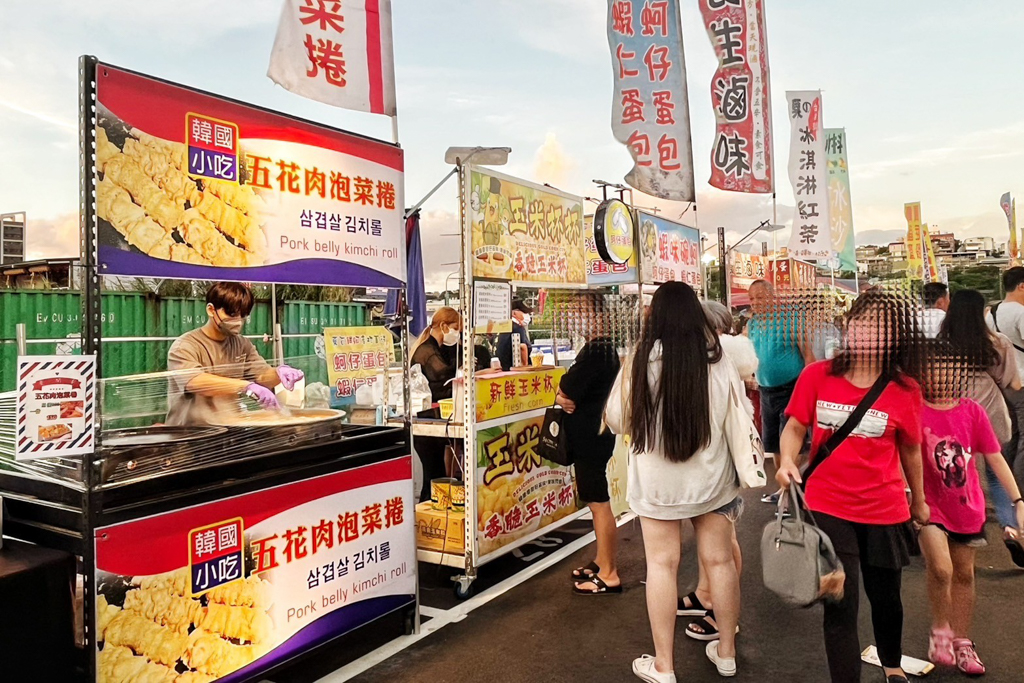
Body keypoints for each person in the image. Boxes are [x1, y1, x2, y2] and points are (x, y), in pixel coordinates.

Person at [776, 289, 929, 683]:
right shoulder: (817, 375)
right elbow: (794, 426)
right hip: (828, 504)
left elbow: (911, 450)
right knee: (840, 606)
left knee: (886, 599)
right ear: (848, 327)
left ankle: (892, 667)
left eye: (879, 326)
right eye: (861, 322)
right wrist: (788, 461)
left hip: (885, 506)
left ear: (895, 337)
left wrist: (920, 501)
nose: (867, 332)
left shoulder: (906, 388)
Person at [605, 282, 744, 681]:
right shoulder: (718, 359)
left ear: (657, 317)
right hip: (713, 479)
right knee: (720, 562)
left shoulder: (640, 360)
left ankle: (664, 665)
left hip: (657, 485)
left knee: (662, 566)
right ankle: (727, 652)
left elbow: (617, 419)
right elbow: (734, 414)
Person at [916, 342, 1024, 675]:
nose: (944, 374)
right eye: (935, 367)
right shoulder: (914, 410)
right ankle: (941, 629)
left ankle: (962, 641)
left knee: (964, 574)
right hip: (928, 508)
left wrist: (1018, 501)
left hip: (968, 508)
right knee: (942, 569)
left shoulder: (972, 411)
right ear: (920, 373)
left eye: (951, 367)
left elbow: (995, 459)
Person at [674, 300, 755, 643]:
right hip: (719, 458)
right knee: (716, 543)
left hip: (721, 460)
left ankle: (724, 617)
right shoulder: (725, 354)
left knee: (724, 544)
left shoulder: (722, 353)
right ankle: (706, 594)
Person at [940, 289, 1024, 565]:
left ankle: (957, 529)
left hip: (954, 419)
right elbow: (1013, 382)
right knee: (997, 472)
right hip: (991, 417)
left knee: (957, 475)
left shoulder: (941, 344)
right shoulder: (998, 343)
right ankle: (1010, 527)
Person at [556, 293, 622, 596]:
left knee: (598, 503)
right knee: (595, 500)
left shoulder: (598, 350)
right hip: (595, 433)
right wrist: (561, 396)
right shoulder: (600, 348)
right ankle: (601, 560)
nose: (575, 317)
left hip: (591, 436)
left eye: (580, 311)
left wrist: (561, 395)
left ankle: (608, 573)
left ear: (599, 316)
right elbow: (565, 393)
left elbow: (567, 388)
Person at [167, 282, 303, 425]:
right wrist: (246, 386)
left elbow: (262, 375)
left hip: (229, 430)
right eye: (231, 314)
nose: (237, 320)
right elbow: (195, 381)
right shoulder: (185, 346)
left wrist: (279, 373)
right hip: (191, 434)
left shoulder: (242, 344)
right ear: (211, 310)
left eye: (242, 315)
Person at [746, 280, 812, 505]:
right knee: (772, 442)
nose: (755, 303)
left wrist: (809, 388)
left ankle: (788, 492)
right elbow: (750, 354)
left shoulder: (790, 321)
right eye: (752, 299)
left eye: (760, 297)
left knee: (790, 438)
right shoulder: (753, 324)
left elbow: (808, 356)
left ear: (773, 297)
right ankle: (786, 487)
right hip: (766, 390)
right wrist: (751, 375)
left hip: (792, 387)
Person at [986, 266, 1024, 562]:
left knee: (1009, 441)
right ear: (1021, 286)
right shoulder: (1020, 314)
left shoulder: (992, 314)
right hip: (1020, 383)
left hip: (1000, 387)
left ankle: (1010, 483)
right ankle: (1019, 492)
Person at [410, 307, 461, 502]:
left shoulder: (434, 349)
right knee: (434, 476)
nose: (457, 333)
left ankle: (429, 517)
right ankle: (428, 518)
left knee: (434, 475)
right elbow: (443, 382)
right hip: (426, 424)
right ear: (443, 326)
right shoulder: (428, 352)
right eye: (456, 328)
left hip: (429, 422)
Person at [496, 299, 533, 370]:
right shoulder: (517, 328)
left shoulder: (502, 326)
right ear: (514, 313)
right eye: (524, 312)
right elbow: (522, 347)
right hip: (513, 370)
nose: (527, 315)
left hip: (500, 369)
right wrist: (525, 365)